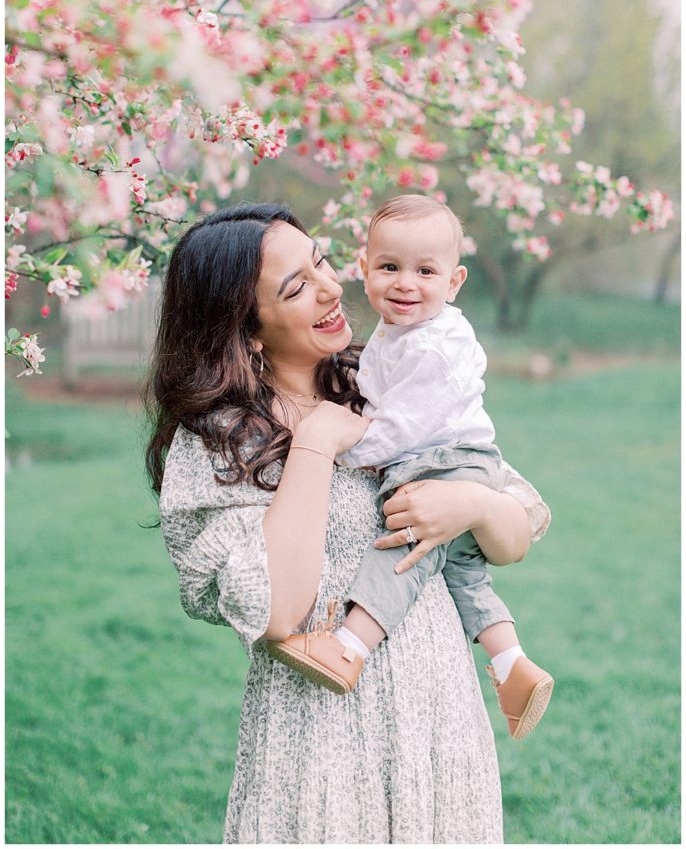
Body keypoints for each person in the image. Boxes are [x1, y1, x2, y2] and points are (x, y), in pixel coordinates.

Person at [146, 202, 552, 844]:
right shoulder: (224, 442)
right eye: (297, 286)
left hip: (438, 710)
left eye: (323, 262)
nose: (333, 287)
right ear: (246, 328)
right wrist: (313, 445)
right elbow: (276, 610)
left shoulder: (383, 381)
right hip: (320, 726)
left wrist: (472, 506)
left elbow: (515, 533)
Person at [269, 195, 554, 741]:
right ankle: (511, 665)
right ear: (366, 268)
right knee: (464, 570)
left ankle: (348, 648)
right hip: (453, 461)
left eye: (425, 271)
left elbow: (403, 425)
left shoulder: (436, 345)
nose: (405, 283)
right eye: (389, 267)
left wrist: (347, 448)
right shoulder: (399, 331)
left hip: (445, 464)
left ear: (454, 281)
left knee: (403, 550)